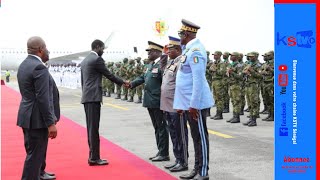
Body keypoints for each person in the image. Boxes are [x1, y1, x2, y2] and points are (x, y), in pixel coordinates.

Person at [175, 19, 214, 180]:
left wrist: (194, 105)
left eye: (180, 34)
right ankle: (196, 169)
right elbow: (184, 79)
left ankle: (203, 172)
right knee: (195, 137)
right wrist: (182, 104)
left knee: (201, 137)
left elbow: (198, 80)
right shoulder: (188, 50)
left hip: (195, 104)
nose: (179, 37)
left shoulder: (196, 51)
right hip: (189, 103)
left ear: (187, 34)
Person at [17, 36, 58, 180]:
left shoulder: (23, 65)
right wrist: (50, 123)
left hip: (26, 116)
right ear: (40, 49)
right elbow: (43, 98)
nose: (47, 50)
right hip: (36, 119)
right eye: (45, 47)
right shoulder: (39, 67)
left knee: (32, 154)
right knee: (34, 158)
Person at [81, 39, 126, 166]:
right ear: (97, 47)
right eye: (102, 48)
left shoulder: (85, 60)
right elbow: (109, 75)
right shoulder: (97, 60)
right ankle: (94, 158)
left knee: (91, 128)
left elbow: (83, 80)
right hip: (93, 97)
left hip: (87, 97)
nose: (103, 51)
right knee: (94, 128)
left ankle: (92, 156)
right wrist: (124, 83)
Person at [128, 41, 170, 162]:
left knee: (162, 127)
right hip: (150, 101)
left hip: (158, 101)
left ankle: (164, 153)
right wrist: (131, 84)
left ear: (157, 52)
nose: (148, 54)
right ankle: (160, 151)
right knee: (157, 127)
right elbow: (143, 77)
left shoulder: (162, 65)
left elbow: (166, 82)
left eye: (150, 51)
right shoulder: (151, 65)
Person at [161, 36, 189, 172]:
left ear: (178, 50)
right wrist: (163, 53)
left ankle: (183, 161)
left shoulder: (181, 63)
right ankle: (178, 159)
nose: (167, 51)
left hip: (176, 105)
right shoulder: (171, 63)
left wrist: (181, 104)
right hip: (167, 105)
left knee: (180, 134)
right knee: (173, 134)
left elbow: (181, 85)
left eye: (170, 49)